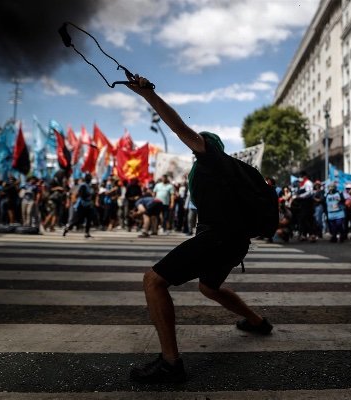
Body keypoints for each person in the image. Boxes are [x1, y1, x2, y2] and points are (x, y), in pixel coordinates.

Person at [125, 75, 273, 384]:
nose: (195, 152)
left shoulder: (213, 162)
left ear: (207, 147)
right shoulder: (238, 172)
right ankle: (257, 322)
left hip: (218, 237)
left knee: (153, 281)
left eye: (199, 146)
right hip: (236, 242)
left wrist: (148, 95)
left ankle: (170, 364)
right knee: (209, 287)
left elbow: (179, 128)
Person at [62, 173, 95, 238]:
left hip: (88, 205)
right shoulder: (83, 185)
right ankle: (67, 228)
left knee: (89, 219)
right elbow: (81, 194)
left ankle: (87, 233)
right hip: (82, 205)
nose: (90, 179)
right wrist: (88, 196)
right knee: (77, 220)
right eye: (90, 178)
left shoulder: (89, 186)